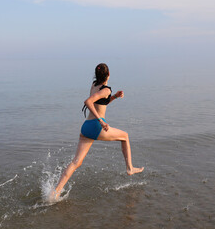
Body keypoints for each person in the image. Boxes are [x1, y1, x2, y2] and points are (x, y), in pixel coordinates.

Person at [49, 63, 144, 202]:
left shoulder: (94, 85)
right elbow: (88, 102)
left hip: (86, 127)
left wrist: (114, 97)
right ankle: (130, 168)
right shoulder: (106, 90)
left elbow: (100, 103)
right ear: (109, 74)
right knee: (125, 136)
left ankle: (55, 192)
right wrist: (101, 120)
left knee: (76, 162)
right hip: (96, 126)